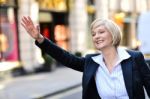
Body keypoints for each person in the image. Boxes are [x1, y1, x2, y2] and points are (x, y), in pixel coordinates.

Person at [21, 16, 150, 99]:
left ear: (113, 34)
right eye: (93, 34)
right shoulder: (91, 62)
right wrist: (40, 39)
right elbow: (65, 57)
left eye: (101, 32)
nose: (96, 36)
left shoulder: (134, 58)